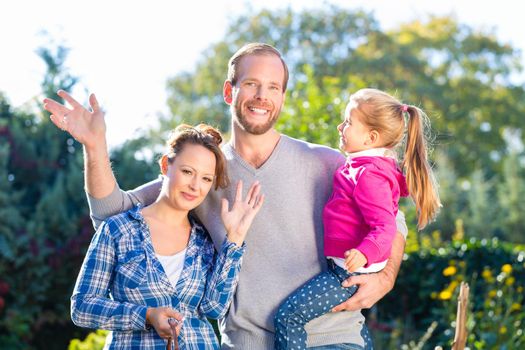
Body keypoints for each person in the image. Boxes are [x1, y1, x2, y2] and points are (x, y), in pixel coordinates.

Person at [43, 43, 408, 349]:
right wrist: (94, 146)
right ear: (230, 92)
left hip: (331, 338)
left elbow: (393, 218)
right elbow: (112, 214)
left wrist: (386, 275)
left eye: (273, 87)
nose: (262, 96)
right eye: (251, 84)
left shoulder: (327, 162)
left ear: (282, 97)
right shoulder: (203, 174)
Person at [68, 123, 264, 349]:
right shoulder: (118, 230)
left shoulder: (203, 240)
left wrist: (235, 238)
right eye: (187, 172)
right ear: (165, 165)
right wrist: (146, 315)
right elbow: (82, 307)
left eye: (206, 179)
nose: (195, 186)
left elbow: (214, 307)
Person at [273, 88, 441, 349]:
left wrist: (365, 252)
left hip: (346, 272)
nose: (341, 126)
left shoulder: (368, 176)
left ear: (370, 137)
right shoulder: (363, 167)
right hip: (344, 265)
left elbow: (386, 225)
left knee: (288, 317)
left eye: (349, 122)